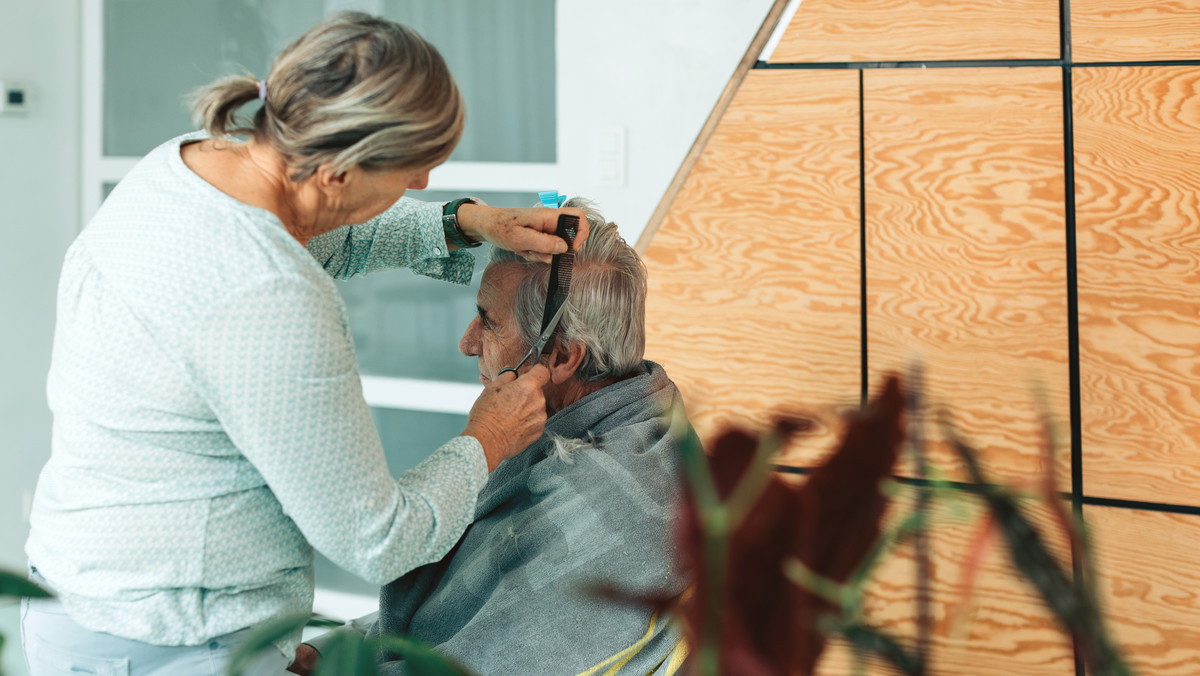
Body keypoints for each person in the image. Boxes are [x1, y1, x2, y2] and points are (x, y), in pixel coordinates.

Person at [22, 12, 588, 675]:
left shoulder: (194, 162)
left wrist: (464, 222)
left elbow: (324, 231)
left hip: (88, 603)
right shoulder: (266, 294)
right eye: (413, 169)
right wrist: (488, 437)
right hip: (169, 639)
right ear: (339, 174)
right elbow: (377, 538)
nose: (423, 184)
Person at [293, 199, 691, 675]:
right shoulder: (582, 425)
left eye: (489, 321)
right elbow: (457, 614)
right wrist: (335, 652)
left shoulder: (610, 516)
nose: (467, 343)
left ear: (562, 357)